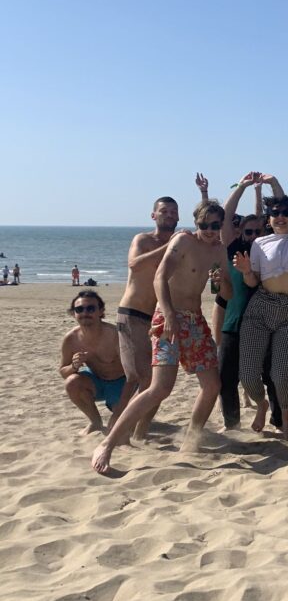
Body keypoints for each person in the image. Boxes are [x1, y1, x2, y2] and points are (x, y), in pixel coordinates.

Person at [91, 200, 233, 474]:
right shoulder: (183, 241)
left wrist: (222, 281)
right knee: (159, 388)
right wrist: (168, 314)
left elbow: (225, 294)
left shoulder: (219, 250)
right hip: (168, 316)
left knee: (212, 385)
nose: (209, 230)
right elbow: (160, 277)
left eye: (215, 225)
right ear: (196, 223)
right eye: (204, 225)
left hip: (195, 320)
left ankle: (191, 440)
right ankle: (108, 443)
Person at [234, 148, 288, 439]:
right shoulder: (260, 244)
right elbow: (253, 283)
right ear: (268, 218)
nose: (280, 217)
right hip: (260, 308)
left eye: (285, 214)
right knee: (247, 374)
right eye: (275, 214)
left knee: (281, 374)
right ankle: (261, 404)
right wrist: (246, 271)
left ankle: (287, 417)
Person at [217, 174, 283, 430]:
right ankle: (232, 424)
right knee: (226, 379)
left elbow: (285, 212)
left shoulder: (272, 250)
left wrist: (273, 184)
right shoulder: (234, 250)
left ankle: (278, 421)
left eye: (258, 231)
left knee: (272, 376)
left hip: (267, 324)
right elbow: (225, 216)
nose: (254, 235)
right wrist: (242, 186)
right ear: (241, 233)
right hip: (234, 324)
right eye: (249, 232)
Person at [116, 196, 179, 441]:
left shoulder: (179, 246)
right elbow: (134, 265)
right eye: (164, 211)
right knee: (141, 377)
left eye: (174, 211)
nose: (170, 215)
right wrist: (169, 247)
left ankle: (140, 432)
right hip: (133, 314)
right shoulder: (143, 240)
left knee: (158, 384)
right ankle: (119, 429)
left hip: (159, 318)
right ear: (154, 215)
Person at [59, 291, 129, 434]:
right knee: (72, 382)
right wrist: (74, 366)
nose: (85, 313)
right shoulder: (71, 339)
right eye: (79, 309)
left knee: (122, 424)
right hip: (97, 381)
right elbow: (63, 372)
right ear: (73, 313)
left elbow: (134, 373)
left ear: (101, 311)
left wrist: (118, 412)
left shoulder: (114, 335)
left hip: (122, 383)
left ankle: (118, 408)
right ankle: (95, 422)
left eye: (90, 308)